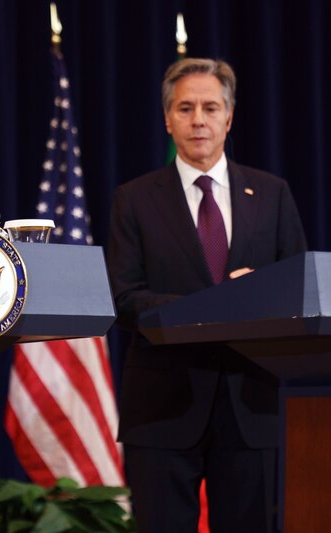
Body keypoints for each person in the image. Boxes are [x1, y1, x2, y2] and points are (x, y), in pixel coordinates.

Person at [107, 58, 306, 533]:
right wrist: (213, 308)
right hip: (162, 406)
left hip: (251, 404)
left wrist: (257, 293)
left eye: (210, 107)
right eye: (185, 107)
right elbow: (122, 298)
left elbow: (300, 291)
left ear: (229, 117)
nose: (198, 119)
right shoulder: (133, 199)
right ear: (167, 118)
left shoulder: (273, 194)